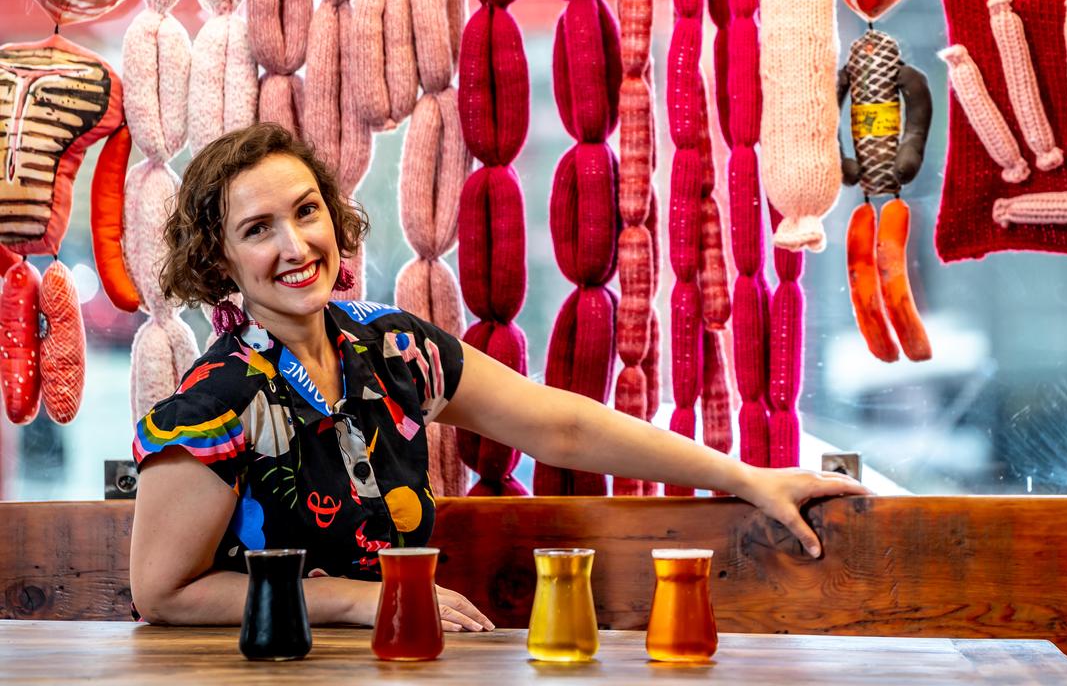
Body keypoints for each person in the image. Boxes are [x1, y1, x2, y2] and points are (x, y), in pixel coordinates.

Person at [129, 122, 869, 630]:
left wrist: (746, 478)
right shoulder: (214, 402)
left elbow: (561, 424)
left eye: (307, 211)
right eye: (258, 230)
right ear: (218, 259)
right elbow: (163, 592)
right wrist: (358, 601)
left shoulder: (393, 348)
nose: (296, 245)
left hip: (399, 659)